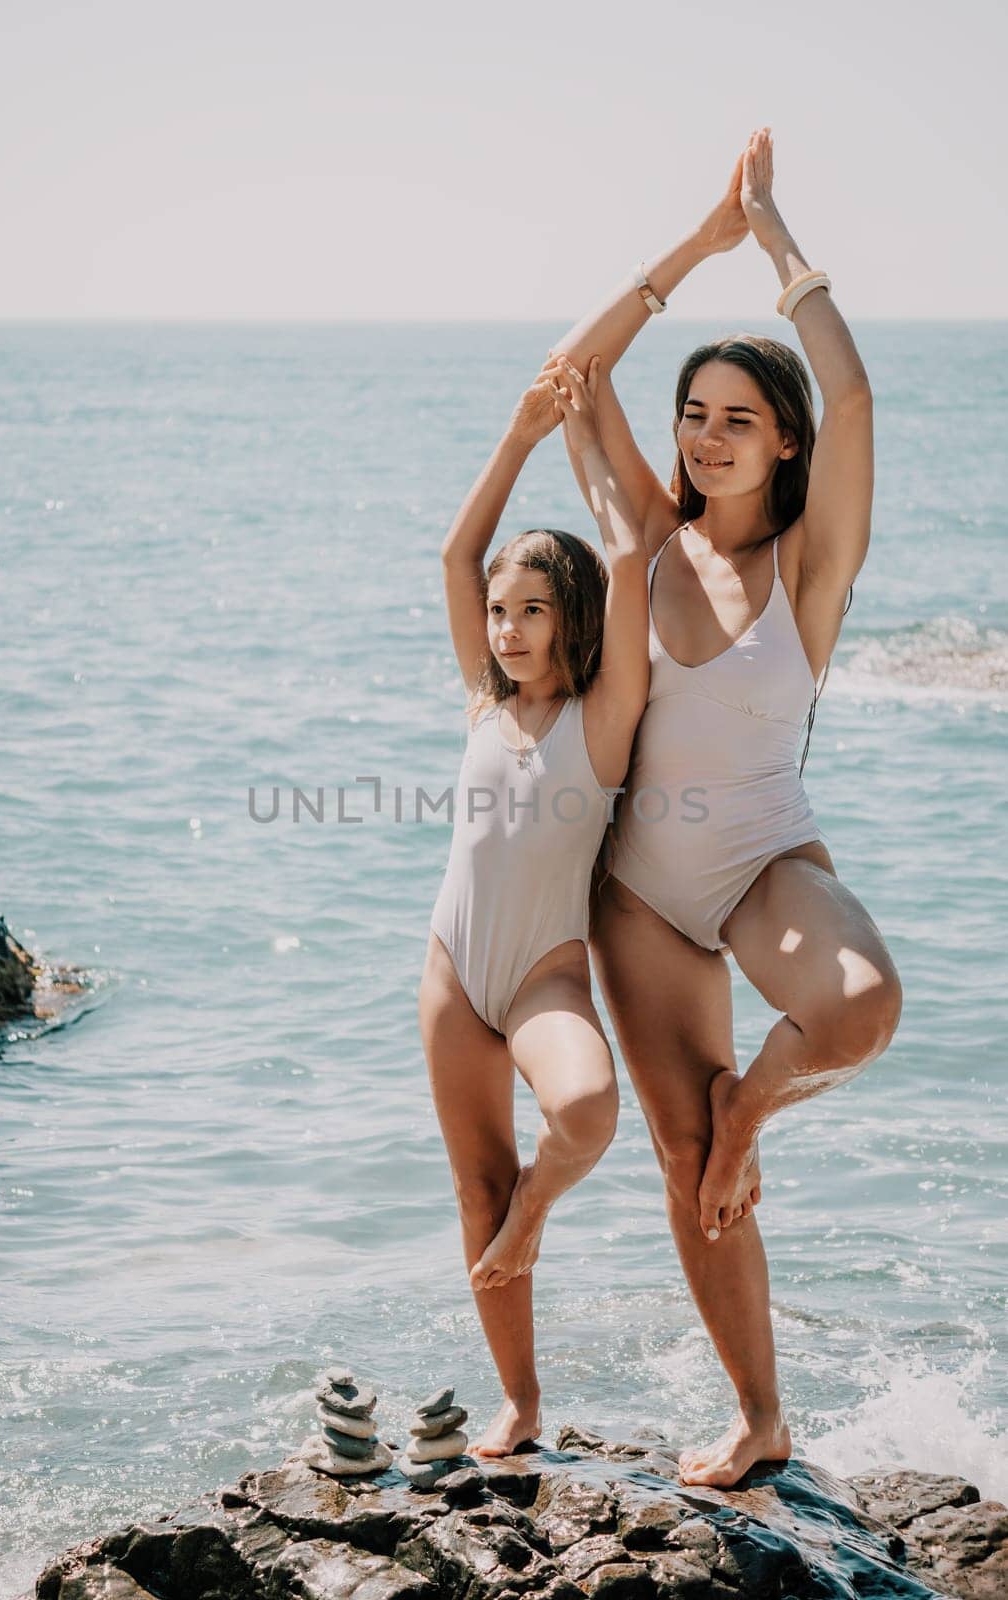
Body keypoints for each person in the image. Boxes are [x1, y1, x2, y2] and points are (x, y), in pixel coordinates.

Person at [505, 127, 903, 1487]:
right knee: (684, 1172)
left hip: (757, 861)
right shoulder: (640, 534)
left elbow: (853, 403)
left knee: (857, 1005)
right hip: (639, 901)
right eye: (694, 415)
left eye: (738, 418)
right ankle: (758, 1418)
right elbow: (575, 372)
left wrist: (776, 235)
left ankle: (749, 1117)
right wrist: (694, 243)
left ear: (781, 442)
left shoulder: (808, 567)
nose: (707, 437)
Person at [419, 354, 650, 1457]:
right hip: (451, 972)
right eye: (499, 613)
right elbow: (457, 553)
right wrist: (512, 437)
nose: (505, 628)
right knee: (474, 1186)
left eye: (530, 612)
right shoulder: (481, 698)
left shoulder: (598, 721)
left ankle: (532, 1218)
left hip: (544, 974)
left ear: (571, 622)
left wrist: (579, 446)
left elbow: (626, 555)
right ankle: (519, 1402)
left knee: (587, 1115)